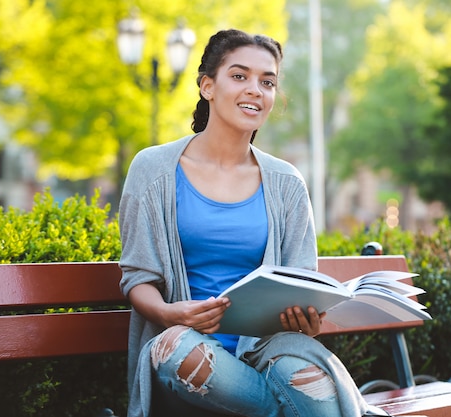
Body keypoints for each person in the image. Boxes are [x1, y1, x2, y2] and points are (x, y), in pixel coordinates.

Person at [119, 28, 388, 417]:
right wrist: (169, 314)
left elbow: (300, 282)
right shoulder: (153, 169)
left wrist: (306, 320)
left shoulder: (287, 183)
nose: (255, 90)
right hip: (186, 351)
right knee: (176, 348)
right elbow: (137, 279)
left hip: (266, 352)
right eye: (240, 76)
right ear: (207, 86)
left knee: (306, 376)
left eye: (268, 82)